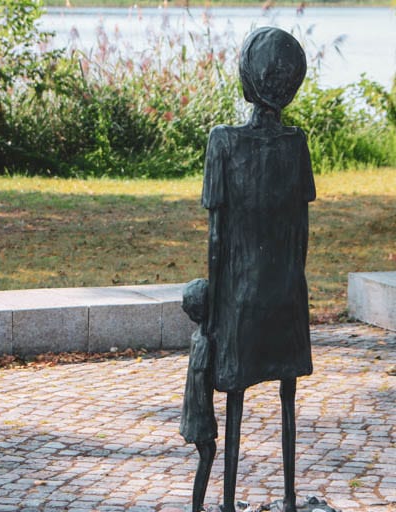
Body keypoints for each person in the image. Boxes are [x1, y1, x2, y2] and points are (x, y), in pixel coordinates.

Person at [202, 27, 315, 512]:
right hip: (287, 292)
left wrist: (212, 308)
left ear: (248, 78)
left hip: (241, 296)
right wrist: (292, 281)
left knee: (236, 399)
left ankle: (227, 502)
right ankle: (288, 497)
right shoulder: (297, 144)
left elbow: (215, 237)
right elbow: (302, 232)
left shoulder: (223, 142)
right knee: (287, 395)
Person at [180, 278, 217, 512]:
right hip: (199, 412)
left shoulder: (199, 335)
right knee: (207, 454)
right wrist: (207, 416)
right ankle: (196, 506)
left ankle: (198, 505)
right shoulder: (204, 340)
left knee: (208, 453)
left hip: (194, 408)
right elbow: (202, 379)